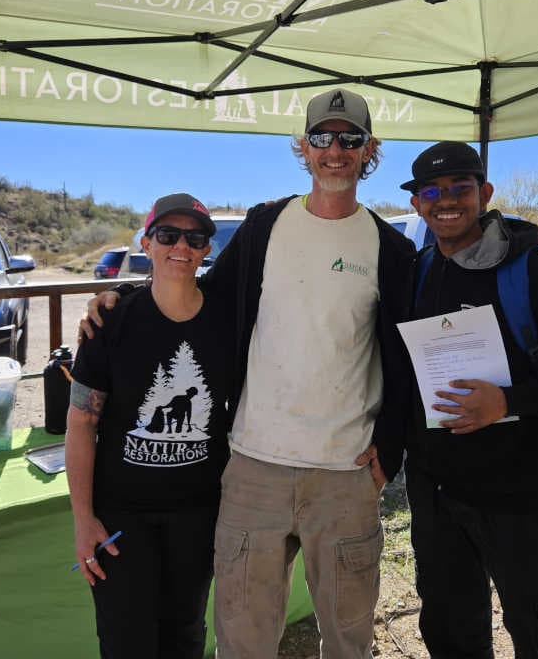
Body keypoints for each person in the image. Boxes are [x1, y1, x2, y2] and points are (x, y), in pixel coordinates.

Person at [83, 89, 415, 659]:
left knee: (347, 639)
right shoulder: (265, 226)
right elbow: (199, 301)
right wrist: (123, 299)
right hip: (254, 469)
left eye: (349, 139)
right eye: (322, 138)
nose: (335, 150)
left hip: (344, 474)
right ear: (303, 149)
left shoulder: (389, 247)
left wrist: (392, 448)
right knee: (242, 639)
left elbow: (407, 355)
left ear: (369, 151)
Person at [398, 141, 538, 658]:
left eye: (460, 188)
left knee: (537, 632)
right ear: (417, 204)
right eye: (431, 191)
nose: (446, 201)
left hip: (518, 494)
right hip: (435, 491)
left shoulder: (533, 272)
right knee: (450, 630)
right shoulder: (415, 273)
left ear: (484, 194)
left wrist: (508, 402)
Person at [66, 193, 234, 659]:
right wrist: (83, 519)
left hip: (198, 513)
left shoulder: (227, 319)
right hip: (121, 518)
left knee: (184, 632)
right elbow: (81, 423)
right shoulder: (111, 321)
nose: (181, 245)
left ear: (206, 250)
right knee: (125, 639)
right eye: (168, 235)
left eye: (195, 237)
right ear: (146, 243)